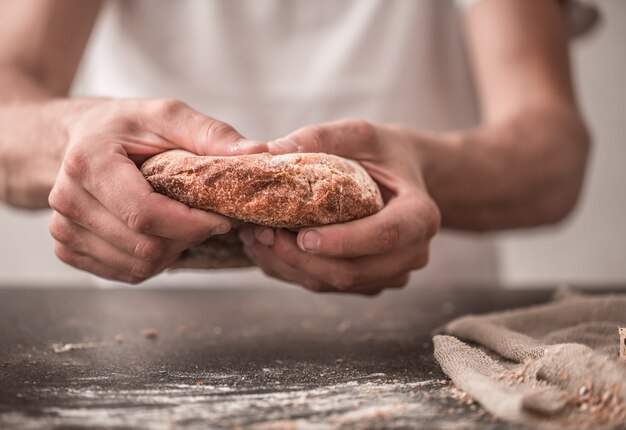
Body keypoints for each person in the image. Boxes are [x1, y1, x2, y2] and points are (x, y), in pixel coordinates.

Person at [0, 0, 595, 295]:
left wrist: (424, 168)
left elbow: (551, 149)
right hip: (135, 329)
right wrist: (72, 137)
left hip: (425, 325)